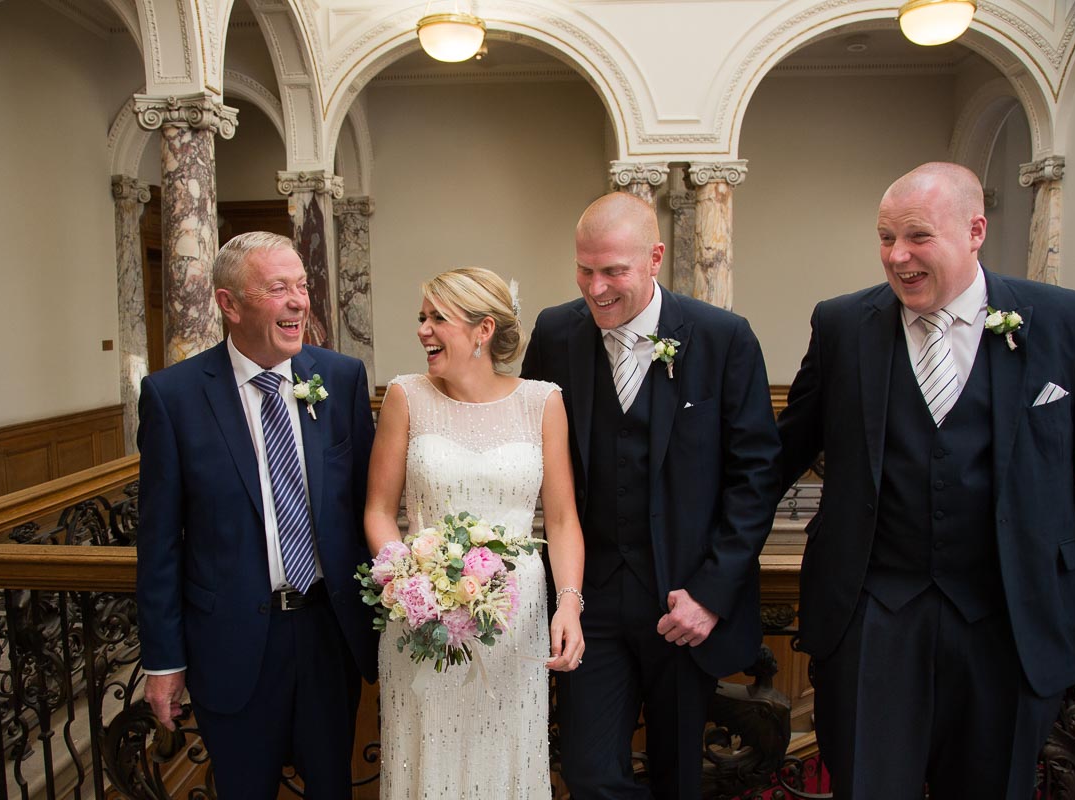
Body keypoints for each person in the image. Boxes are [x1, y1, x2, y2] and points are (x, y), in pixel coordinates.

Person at [777, 162, 1075, 798]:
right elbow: (777, 456)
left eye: (918, 236)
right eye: (886, 238)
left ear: (975, 231)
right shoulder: (841, 325)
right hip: (873, 615)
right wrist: (705, 563)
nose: (897, 256)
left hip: (1011, 618)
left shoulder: (1069, 322)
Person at [521, 192, 781, 799]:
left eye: (614, 271)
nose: (596, 288)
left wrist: (711, 595)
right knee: (588, 772)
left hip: (684, 604)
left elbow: (756, 476)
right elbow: (526, 446)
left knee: (680, 777)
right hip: (590, 598)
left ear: (655, 258)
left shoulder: (722, 338)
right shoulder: (556, 333)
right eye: (585, 269)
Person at [136, 231, 377, 799]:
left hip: (328, 632)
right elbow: (160, 542)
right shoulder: (174, 397)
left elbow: (367, 506)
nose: (298, 302)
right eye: (277, 288)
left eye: (302, 286)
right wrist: (163, 660)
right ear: (229, 304)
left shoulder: (341, 378)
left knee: (332, 788)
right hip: (231, 641)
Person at [364, 267, 585, 799]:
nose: (423, 330)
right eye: (422, 317)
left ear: (483, 329)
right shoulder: (406, 396)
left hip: (514, 617)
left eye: (438, 318)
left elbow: (561, 520)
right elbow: (378, 510)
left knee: (505, 755)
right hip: (421, 620)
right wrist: (409, 582)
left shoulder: (542, 402)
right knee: (427, 755)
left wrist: (569, 604)